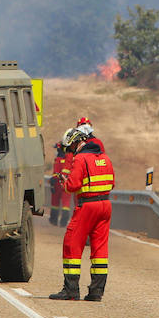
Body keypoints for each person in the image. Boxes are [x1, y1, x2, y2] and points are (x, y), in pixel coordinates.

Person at [49, 119, 115, 301]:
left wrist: (65, 182)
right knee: (100, 248)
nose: (70, 151)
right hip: (105, 206)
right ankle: (96, 292)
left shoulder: (80, 159)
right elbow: (112, 183)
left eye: (70, 148)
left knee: (72, 244)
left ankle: (70, 290)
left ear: (77, 143)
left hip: (87, 206)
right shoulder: (105, 158)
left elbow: (74, 185)